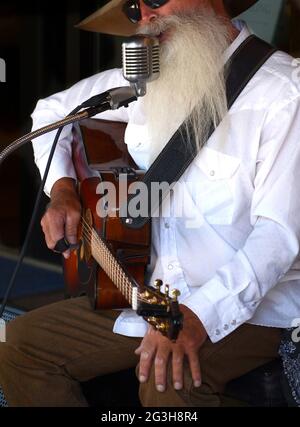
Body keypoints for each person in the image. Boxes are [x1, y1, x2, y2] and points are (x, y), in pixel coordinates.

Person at [1, 0, 300, 407]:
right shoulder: (147, 79)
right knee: (22, 346)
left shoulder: (283, 92)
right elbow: (52, 112)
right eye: (133, 7)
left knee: (167, 386)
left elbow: (278, 236)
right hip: (153, 295)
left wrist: (197, 316)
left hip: (251, 308)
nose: (145, 15)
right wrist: (63, 189)